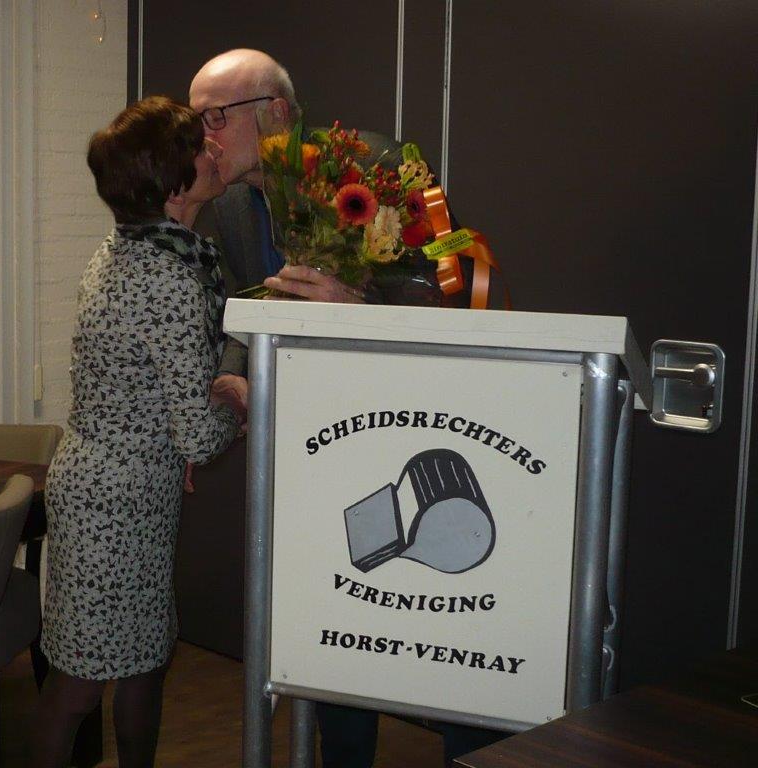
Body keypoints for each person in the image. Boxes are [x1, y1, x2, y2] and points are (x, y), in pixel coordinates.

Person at [188, 49, 501, 768]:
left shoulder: (383, 165)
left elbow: (458, 284)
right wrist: (231, 378)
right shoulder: (230, 207)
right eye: (195, 119)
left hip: (424, 430)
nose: (203, 136)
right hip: (320, 445)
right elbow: (247, 304)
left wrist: (359, 307)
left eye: (215, 117)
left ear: (275, 112)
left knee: (449, 632)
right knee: (335, 615)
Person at [30, 96, 247, 768]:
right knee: (82, 679)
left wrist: (201, 404)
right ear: (173, 184)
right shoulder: (169, 276)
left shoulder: (130, 250)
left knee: (142, 661)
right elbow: (199, 436)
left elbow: (154, 392)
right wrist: (242, 404)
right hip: (118, 500)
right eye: (199, 147)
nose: (214, 152)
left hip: (111, 485)